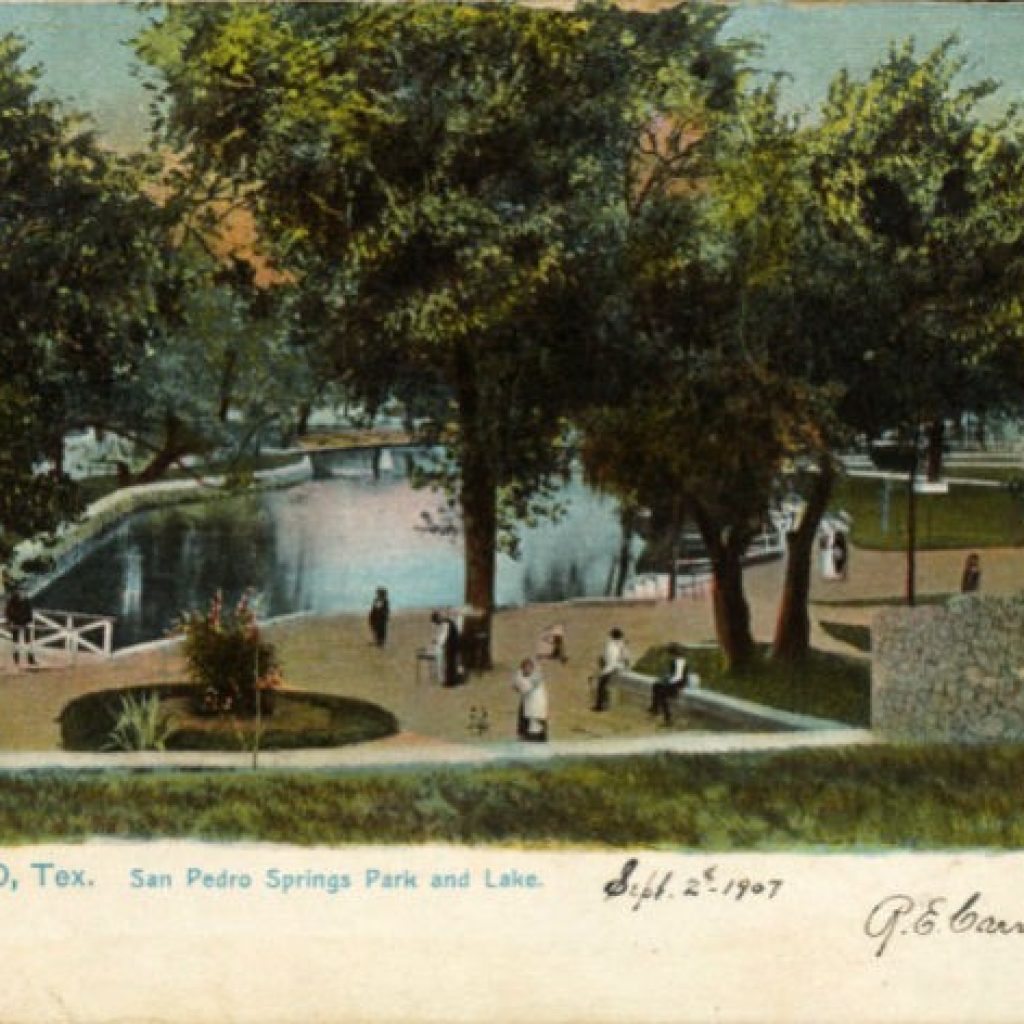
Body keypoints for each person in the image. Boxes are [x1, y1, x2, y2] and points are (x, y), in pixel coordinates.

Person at [592, 627, 630, 712]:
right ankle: (603, 704)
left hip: (612, 668)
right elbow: (626, 658)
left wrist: (604, 670)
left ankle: (600, 705)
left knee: (601, 685)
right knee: (604, 685)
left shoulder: (610, 645)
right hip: (620, 667)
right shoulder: (622, 645)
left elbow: (606, 659)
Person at [649, 651, 690, 726]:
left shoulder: (680, 662)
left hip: (678, 685)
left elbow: (678, 677)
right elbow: (672, 674)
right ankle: (655, 709)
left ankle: (667, 717)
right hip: (674, 682)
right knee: (656, 686)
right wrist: (665, 679)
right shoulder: (675, 661)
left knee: (662, 694)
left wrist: (668, 682)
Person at [512, 658, 548, 741]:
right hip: (528, 708)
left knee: (536, 732)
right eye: (524, 668)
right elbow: (517, 687)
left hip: (536, 711)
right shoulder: (526, 677)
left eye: (528, 668)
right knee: (526, 731)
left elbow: (525, 688)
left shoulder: (536, 677)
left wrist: (518, 678)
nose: (526, 670)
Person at [4, 585, 36, 668]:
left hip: (25, 623)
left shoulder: (26, 600)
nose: (22, 592)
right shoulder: (12, 600)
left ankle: (31, 659)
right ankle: (16, 660)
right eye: (21, 590)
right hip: (16, 623)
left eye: (23, 590)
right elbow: (8, 612)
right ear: (17, 591)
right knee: (15, 643)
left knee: (28, 642)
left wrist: (29, 620)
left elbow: (29, 611)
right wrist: (10, 622)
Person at [431, 609, 461, 687]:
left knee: (445, 663)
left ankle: (447, 682)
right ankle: (450, 680)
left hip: (450, 646)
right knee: (451, 664)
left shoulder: (446, 624)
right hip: (453, 645)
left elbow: (444, 638)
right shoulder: (447, 622)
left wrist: (437, 643)